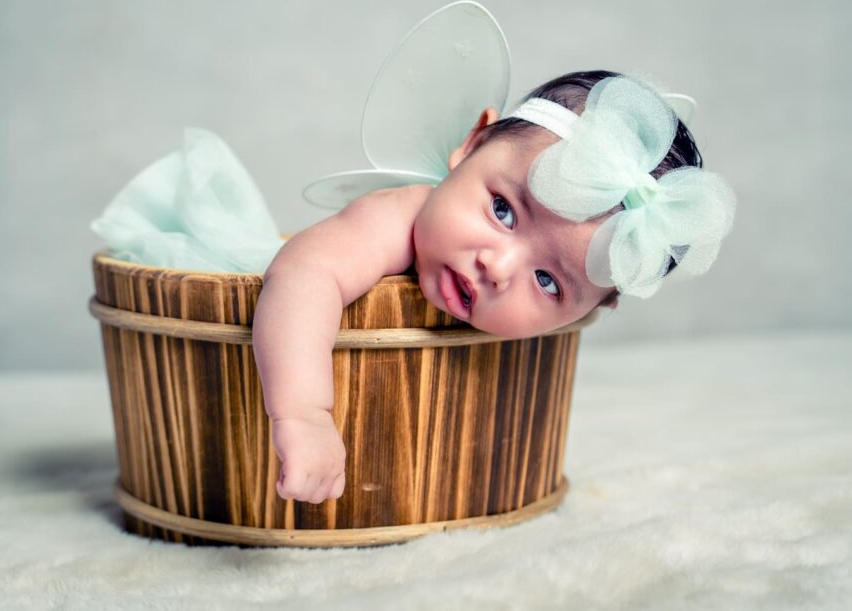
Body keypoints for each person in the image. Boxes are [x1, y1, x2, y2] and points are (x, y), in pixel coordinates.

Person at [253, 69, 736, 505]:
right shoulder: (399, 215)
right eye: (502, 210)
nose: (497, 267)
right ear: (473, 144)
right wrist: (304, 413)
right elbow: (304, 273)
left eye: (547, 282)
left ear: (595, 308)